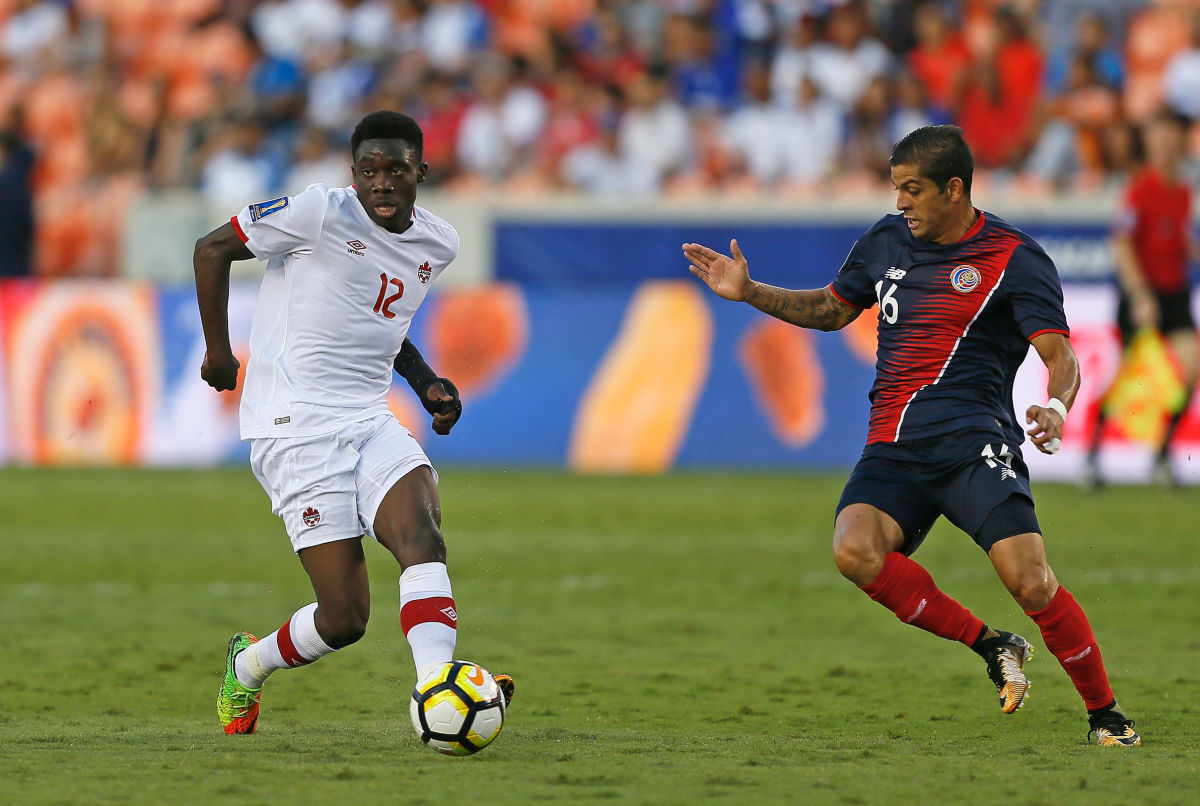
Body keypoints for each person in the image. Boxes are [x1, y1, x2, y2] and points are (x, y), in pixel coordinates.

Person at [682, 125, 1141, 747]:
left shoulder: (1014, 257)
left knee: (1030, 580)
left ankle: (1106, 715)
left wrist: (1057, 407)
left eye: (912, 189)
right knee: (854, 551)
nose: (901, 202)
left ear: (954, 189)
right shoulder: (885, 241)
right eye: (896, 188)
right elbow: (830, 309)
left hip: (973, 444)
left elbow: (1060, 353)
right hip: (894, 447)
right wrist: (750, 293)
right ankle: (992, 644)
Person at [194, 110, 513, 735]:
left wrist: (426, 386)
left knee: (422, 538)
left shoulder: (437, 242)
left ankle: (434, 691)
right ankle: (250, 666)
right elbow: (211, 250)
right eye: (369, 171)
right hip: (294, 426)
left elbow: (381, 326)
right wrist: (218, 351)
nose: (382, 183)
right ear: (353, 174)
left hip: (369, 419)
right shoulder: (317, 212)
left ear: (421, 171)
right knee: (344, 619)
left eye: (397, 170)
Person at [1086, 109, 1199, 488]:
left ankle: (1162, 454)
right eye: (1159, 138)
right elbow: (1122, 243)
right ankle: (1093, 451)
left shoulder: (1183, 191)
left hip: (1175, 292)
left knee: (1191, 369)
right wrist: (1139, 294)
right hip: (1144, 295)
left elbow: (1180, 242)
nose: (1166, 146)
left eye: (1172, 138)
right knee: (1128, 379)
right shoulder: (1139, 188)